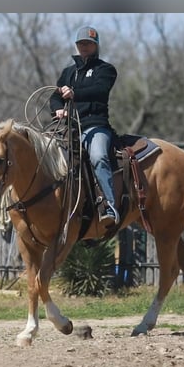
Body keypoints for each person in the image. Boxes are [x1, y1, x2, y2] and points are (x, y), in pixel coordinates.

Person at [50, 25, 119, 226]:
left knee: (98, 156)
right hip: (69, 128)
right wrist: (57, 110)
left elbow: (99, 90)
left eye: (88, 43)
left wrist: (74, 93)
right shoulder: (68, 72)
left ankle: (109, 206)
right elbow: (55, 96)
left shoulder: (105, 70)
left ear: (96, 46)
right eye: (81, 43)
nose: (84, 47)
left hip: (95, 126)